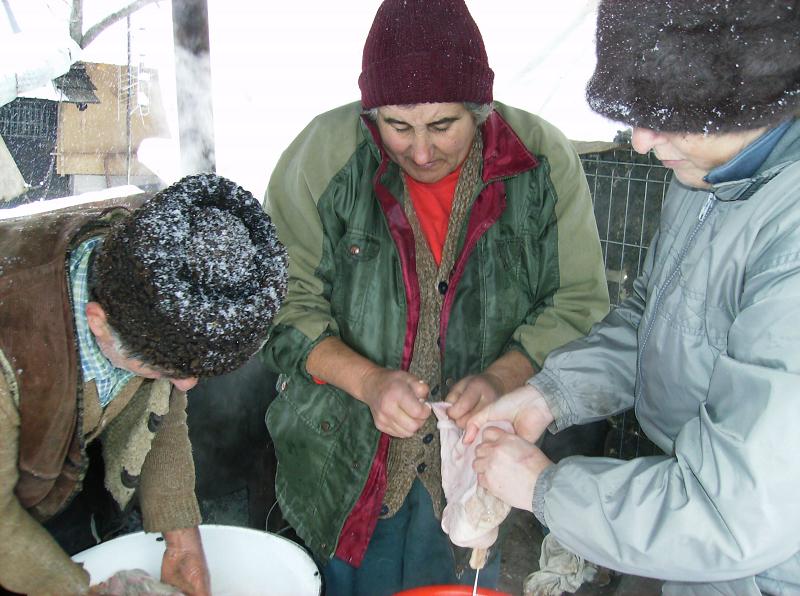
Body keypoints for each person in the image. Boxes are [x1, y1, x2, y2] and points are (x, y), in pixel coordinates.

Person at [260, 1, 610, 594]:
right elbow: (281, 304)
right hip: (341, 458)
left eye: (443, 125)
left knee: (457, 574)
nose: (420, 152)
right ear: (372, 114)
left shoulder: (540, 162)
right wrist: (368, 382)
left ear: (481, 110)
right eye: (397, 126)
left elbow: (578, 303)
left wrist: (502, 376)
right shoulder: (323, 156)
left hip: (472, 459)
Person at [459, 1, 800, 594]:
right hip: (687, 536)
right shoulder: (706, 177)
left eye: (667, 115)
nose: (640, 143)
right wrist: (549, 395)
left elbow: (735, 514)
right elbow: (651, 318)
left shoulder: (788, 238)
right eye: (638, 115)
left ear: (749, 96)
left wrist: (544, 487)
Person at [0, 173, 288, 595]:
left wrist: (181, 537)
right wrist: (77, 590)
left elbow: (157, 407)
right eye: (167, 370)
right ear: (99, 323)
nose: (186, 386)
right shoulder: (12, 343)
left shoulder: (150, 271)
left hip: (55, 484)